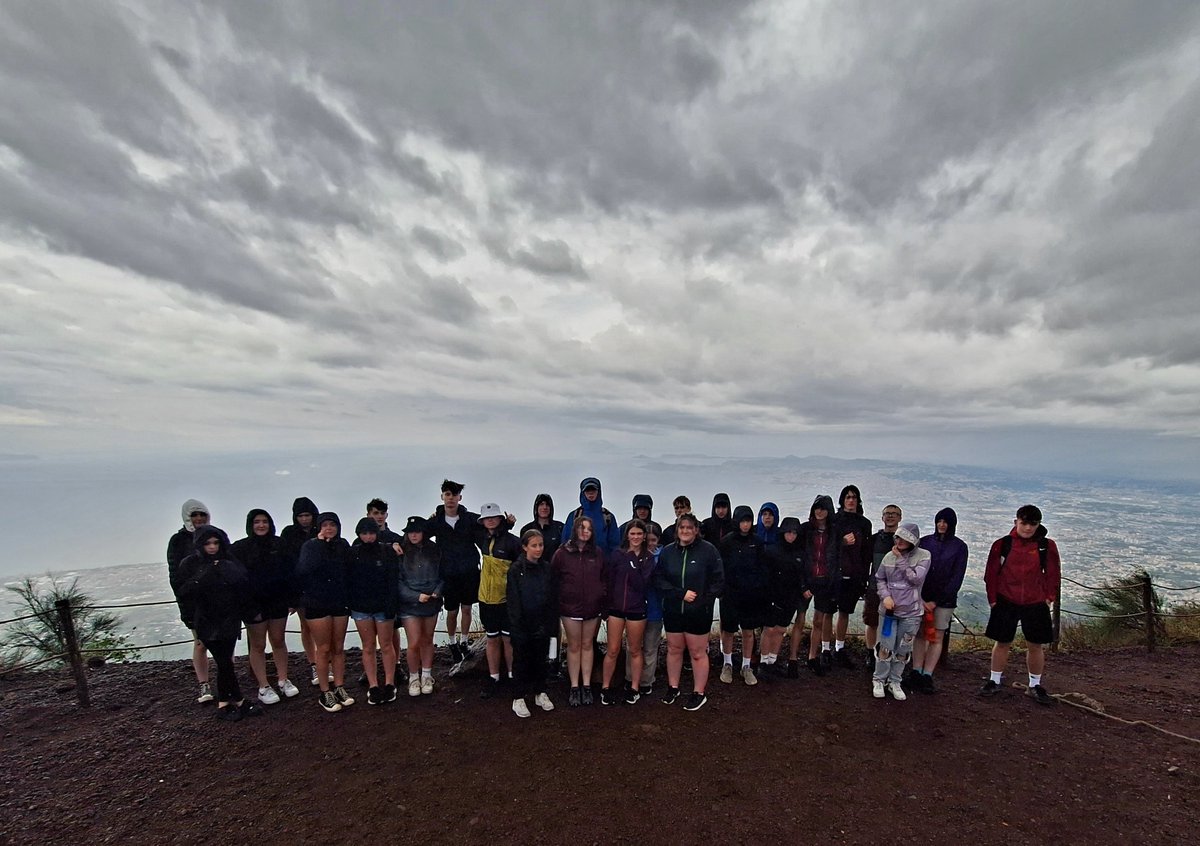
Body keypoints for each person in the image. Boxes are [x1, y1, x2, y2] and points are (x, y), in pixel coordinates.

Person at [176, 526, 263, 721]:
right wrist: (190, 618)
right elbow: (184, 592)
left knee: (226, 662)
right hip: (206, 619)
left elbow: (242, 585)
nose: (212, 547)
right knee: (224, 661)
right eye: (207, 543)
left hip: (229, 617)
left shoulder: (230, 561)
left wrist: (249, 611)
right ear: (200, 544)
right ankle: (236, 700)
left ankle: (226, 702)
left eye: (215, 543)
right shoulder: (190, 563)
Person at [979, 505, 1061, 706]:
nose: (1027, 528)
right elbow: (991, 573)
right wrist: (993, 599)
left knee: (1035, 644)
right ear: (1016, 521)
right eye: (1024, 523)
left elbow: (1053, 574)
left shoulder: (1046, 546)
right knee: (1002, 641)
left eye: (1032, 524)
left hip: (1035, 601)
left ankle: (1035, 684)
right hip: (1006, 599)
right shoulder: (1003, 544)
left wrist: (1049, 597)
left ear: (1038, 524)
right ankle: (994, 679)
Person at [655, 513, 723, 711]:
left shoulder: (708, 551)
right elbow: (659, 580)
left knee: (697, 653)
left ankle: (699, 693)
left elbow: (718, 581)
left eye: (689, 528)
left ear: (696, 530)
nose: (685, 531)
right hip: (673, 610)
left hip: (698, 613)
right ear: (677, 530)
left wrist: (703, 602)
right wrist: (679, 594)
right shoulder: (668, 552)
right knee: (674, 649)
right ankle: (673, 687)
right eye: (681, 527)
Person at [230, 509, 298, 705]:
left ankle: (283, 679)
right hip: (253, 604)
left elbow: (290, 572)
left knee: (278, 641)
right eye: (257, 522)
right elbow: (237, 579)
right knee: (258, 645)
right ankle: (263, 686)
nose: (261, 525)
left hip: (277, 601)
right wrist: (245, 604)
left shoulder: (279, 544)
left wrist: (292, 599)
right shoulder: (240, 548)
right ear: (250, 524)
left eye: (265, 521)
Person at [295, 512, 355, 713]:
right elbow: (304, 569)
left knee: (338, 647)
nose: (329, 528)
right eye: (325, 525)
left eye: (333, 525)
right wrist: (321, 544)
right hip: (317, 603)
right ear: (319, 527)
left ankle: (339, 686)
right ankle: (324, 691)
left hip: (339, 601)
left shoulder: (342, 545)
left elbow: (349, 570)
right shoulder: (310, 546)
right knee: (323, 647)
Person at [551, 515, 607, 706]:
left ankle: (587, 685)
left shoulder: (597, 553)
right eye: (582, 528)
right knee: (574, 646)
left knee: (587, 645)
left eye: (589, 529)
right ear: (575, 530)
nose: (585, 532)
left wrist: (602, 599)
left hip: (592, 608)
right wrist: (559, 601)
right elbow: (554, 579)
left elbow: (604, 578)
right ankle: (574, 687)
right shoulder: (562, 553)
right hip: (569, 608)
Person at [872, 521, 931, 701]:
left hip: (911, 613)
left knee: (903, 648)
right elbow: (880, 579)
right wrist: (885, 597)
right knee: (885, 646)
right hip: (889, 612)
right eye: (898, 537)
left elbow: (916, 579)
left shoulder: (923, 556)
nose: (899, 541)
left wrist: (901, 559)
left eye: (904, 538)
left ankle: (895, 680)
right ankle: (879, 679)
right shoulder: (888, 557)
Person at [913, 508, 969, 693]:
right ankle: (916, 671)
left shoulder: (959, 547)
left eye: (945, 521)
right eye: (939, 521)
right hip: (922, 596)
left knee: (937, 637)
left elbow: (956, 578)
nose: (942, 525)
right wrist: (920, 597)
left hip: (944, 601)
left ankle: (928, 674)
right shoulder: (925, 542)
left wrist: (936, 601)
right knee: (920, 634)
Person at [425, 480, 481, 666]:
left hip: (469, 571)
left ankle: (464, 641)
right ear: (442, 497)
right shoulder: (436, 521)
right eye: (447, 495)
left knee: (466, 608)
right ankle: (452, 642)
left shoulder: (470, 519)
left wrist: (508, 524)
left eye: (454, 495)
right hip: (447, 573)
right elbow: (418, 535)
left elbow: (490, 526)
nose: (451, 499)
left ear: (460, 498)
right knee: (451, 611)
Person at [600, 519, 655, 705]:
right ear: (627, 535)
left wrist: (633, 562)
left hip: (636, 609)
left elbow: (642, 585)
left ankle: (634, 688)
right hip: (616, 609)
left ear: (644, 535)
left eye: (639, 533)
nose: (636, 537)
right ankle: (605, 687)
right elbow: (609, 580)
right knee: (613, 649)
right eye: (633, 533)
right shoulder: (617, 555)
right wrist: (606, 606)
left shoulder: (648, 558)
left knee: (635, 650)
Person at [346, 517, 400, 705]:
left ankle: (390, 683)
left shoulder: (387, 551)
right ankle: (373, 686)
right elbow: (348, 581)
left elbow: (394, 580)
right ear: (359, 534)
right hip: (361, 608)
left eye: (371, 533)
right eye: (364, 533)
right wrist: (351, 604)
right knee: (368, 646)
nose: (368, 537)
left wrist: (392, 605)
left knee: (386, 645)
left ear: (376, 533)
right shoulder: (353, 553)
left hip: (383, 607)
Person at [507, 529, 559, 718]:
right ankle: (518, 698)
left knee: (540, 660)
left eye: (541, 545)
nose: (538, 549)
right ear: (524, 547)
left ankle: (540, 692)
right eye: (534, 545)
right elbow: (513, 601)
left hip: (542, 623)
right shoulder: (515, 570)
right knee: (521, 661)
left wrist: (550, 624)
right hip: (522, 624)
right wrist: (517, 628)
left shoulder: (547, 569)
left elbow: (552, 598)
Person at [167, 499, 213, 703]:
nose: (199, 519)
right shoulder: (178, 541)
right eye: (195, 515)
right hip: (194, 602)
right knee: (201, 642)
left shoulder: (215, 535)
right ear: (187, 517)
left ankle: (226, 681)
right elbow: (175, 575)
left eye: (202, 514)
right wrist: (185, 602)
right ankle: (204, 684)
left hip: (218, 600)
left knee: (224, 642)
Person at [475, 502, 521, 699]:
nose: (490, 520)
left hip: (507, 600)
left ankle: (512, 676)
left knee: (508, 639)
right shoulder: (482, 539)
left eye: (494, 517)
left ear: (501, 518)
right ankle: (494, 677)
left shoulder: (513, 542)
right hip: (486, 600)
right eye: (487, 518)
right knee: (492, 639)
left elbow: (522, 569)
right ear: (483, 521)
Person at [718, 506, 767, 685]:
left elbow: (763, 568)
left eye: (748, 521)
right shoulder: (727, 541)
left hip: (751, 595)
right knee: (729, 631)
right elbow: (720, 568)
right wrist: (722, 590)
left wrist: (759, 589)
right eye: (742, 521)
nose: (745, 525)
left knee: (748, 631)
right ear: (736, 521)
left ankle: (747, 666)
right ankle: (727, 664)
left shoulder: (758, 542)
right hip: (730, 594)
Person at [397, 516, 443, 697]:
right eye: (410, 531)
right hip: (410, 603)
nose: (413, 535)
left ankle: (426, 675)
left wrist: (438, 591)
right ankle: (413, 677)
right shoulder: (401, 551)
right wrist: (415, 596)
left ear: (423, 533)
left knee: (428, 639)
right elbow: (398, 581)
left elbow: (442, 574)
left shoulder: (435, 550)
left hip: (431, 601)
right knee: (414, 642)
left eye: (417, 531)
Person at [278, 496, 321, 685]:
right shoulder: (288, 534)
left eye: (307, 515)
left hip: (320, 586)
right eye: (301, 516)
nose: (304, 519)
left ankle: (322, 661)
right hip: (301, 587)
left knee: (322, 627)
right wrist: (291, 595)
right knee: (306, 626)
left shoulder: (321, 529)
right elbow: (286, 563)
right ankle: (314, 663)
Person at [798, 495, 840, 676]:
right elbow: (798, 556)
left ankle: (812, 657)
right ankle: (792, 658)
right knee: (799, 619)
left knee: (818, 621)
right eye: (817, 508)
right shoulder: (805, 530)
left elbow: (837, 557)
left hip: (826, 580)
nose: (819, 511)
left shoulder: (834, 532)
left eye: (823, 508)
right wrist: (802, 583)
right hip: (808, 579)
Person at [831, 485, 872, 669]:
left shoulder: (864, 524)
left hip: (854, 575)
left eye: (854, 497)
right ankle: (825, 649)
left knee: (845, 612)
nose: (851, 500)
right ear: (842, 500)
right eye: (847, 497)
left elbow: (866, 554)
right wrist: (842, 542)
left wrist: (863, 577)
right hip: (834, 575)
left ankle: (839, 648)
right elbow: (828, 547)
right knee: (826, 612)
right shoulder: (835, 521)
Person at [762, 516, 805, 675]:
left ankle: (772, 661)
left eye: (794, 533)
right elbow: (766, 574)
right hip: (773, 596)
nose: (791, 536)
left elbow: (802, 575)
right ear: (783, 532)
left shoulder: (800, 553)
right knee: (769, 629)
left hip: (791, 597)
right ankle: (763, 662)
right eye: (788, 532)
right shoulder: (772, 551)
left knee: (781, 629)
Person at [626, 524, 664, 695]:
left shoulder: (663, 557)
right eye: (647, 540)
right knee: (633, 646)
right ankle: (630, 678)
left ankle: (646, 680)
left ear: (658, 540)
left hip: (655, 609)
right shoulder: (635, 557)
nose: (650, 543)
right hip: (635, 608)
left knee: (650, 646)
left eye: (653, 540)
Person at [864, 505, 902, 668]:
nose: (890, 517)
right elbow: (866, 561)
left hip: (897, 591)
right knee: (871, 621)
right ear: (882, 517)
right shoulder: (874, 539)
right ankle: (870, 653)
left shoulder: (904, 541)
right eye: (887, 513)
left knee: (893, 624)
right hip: (875, 587)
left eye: (894, 514)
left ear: (900, 518)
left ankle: (889, 654)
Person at [560, 477, 621, 554]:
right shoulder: (575, 516)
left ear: (598, 492)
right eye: (587, 490)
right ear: (583, 492)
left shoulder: (607, 516)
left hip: (603, 563)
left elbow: (615, 544)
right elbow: (566, 542)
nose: (591, 493)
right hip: (578, 562)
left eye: (593, 490)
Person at [520, 493, 564, 563]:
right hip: (533, 571)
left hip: (555, 570)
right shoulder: (527, 529)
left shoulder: (560, 527)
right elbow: (522, 554)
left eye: (547, 505)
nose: (544, 507)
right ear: (536, 508)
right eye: (541, 504)